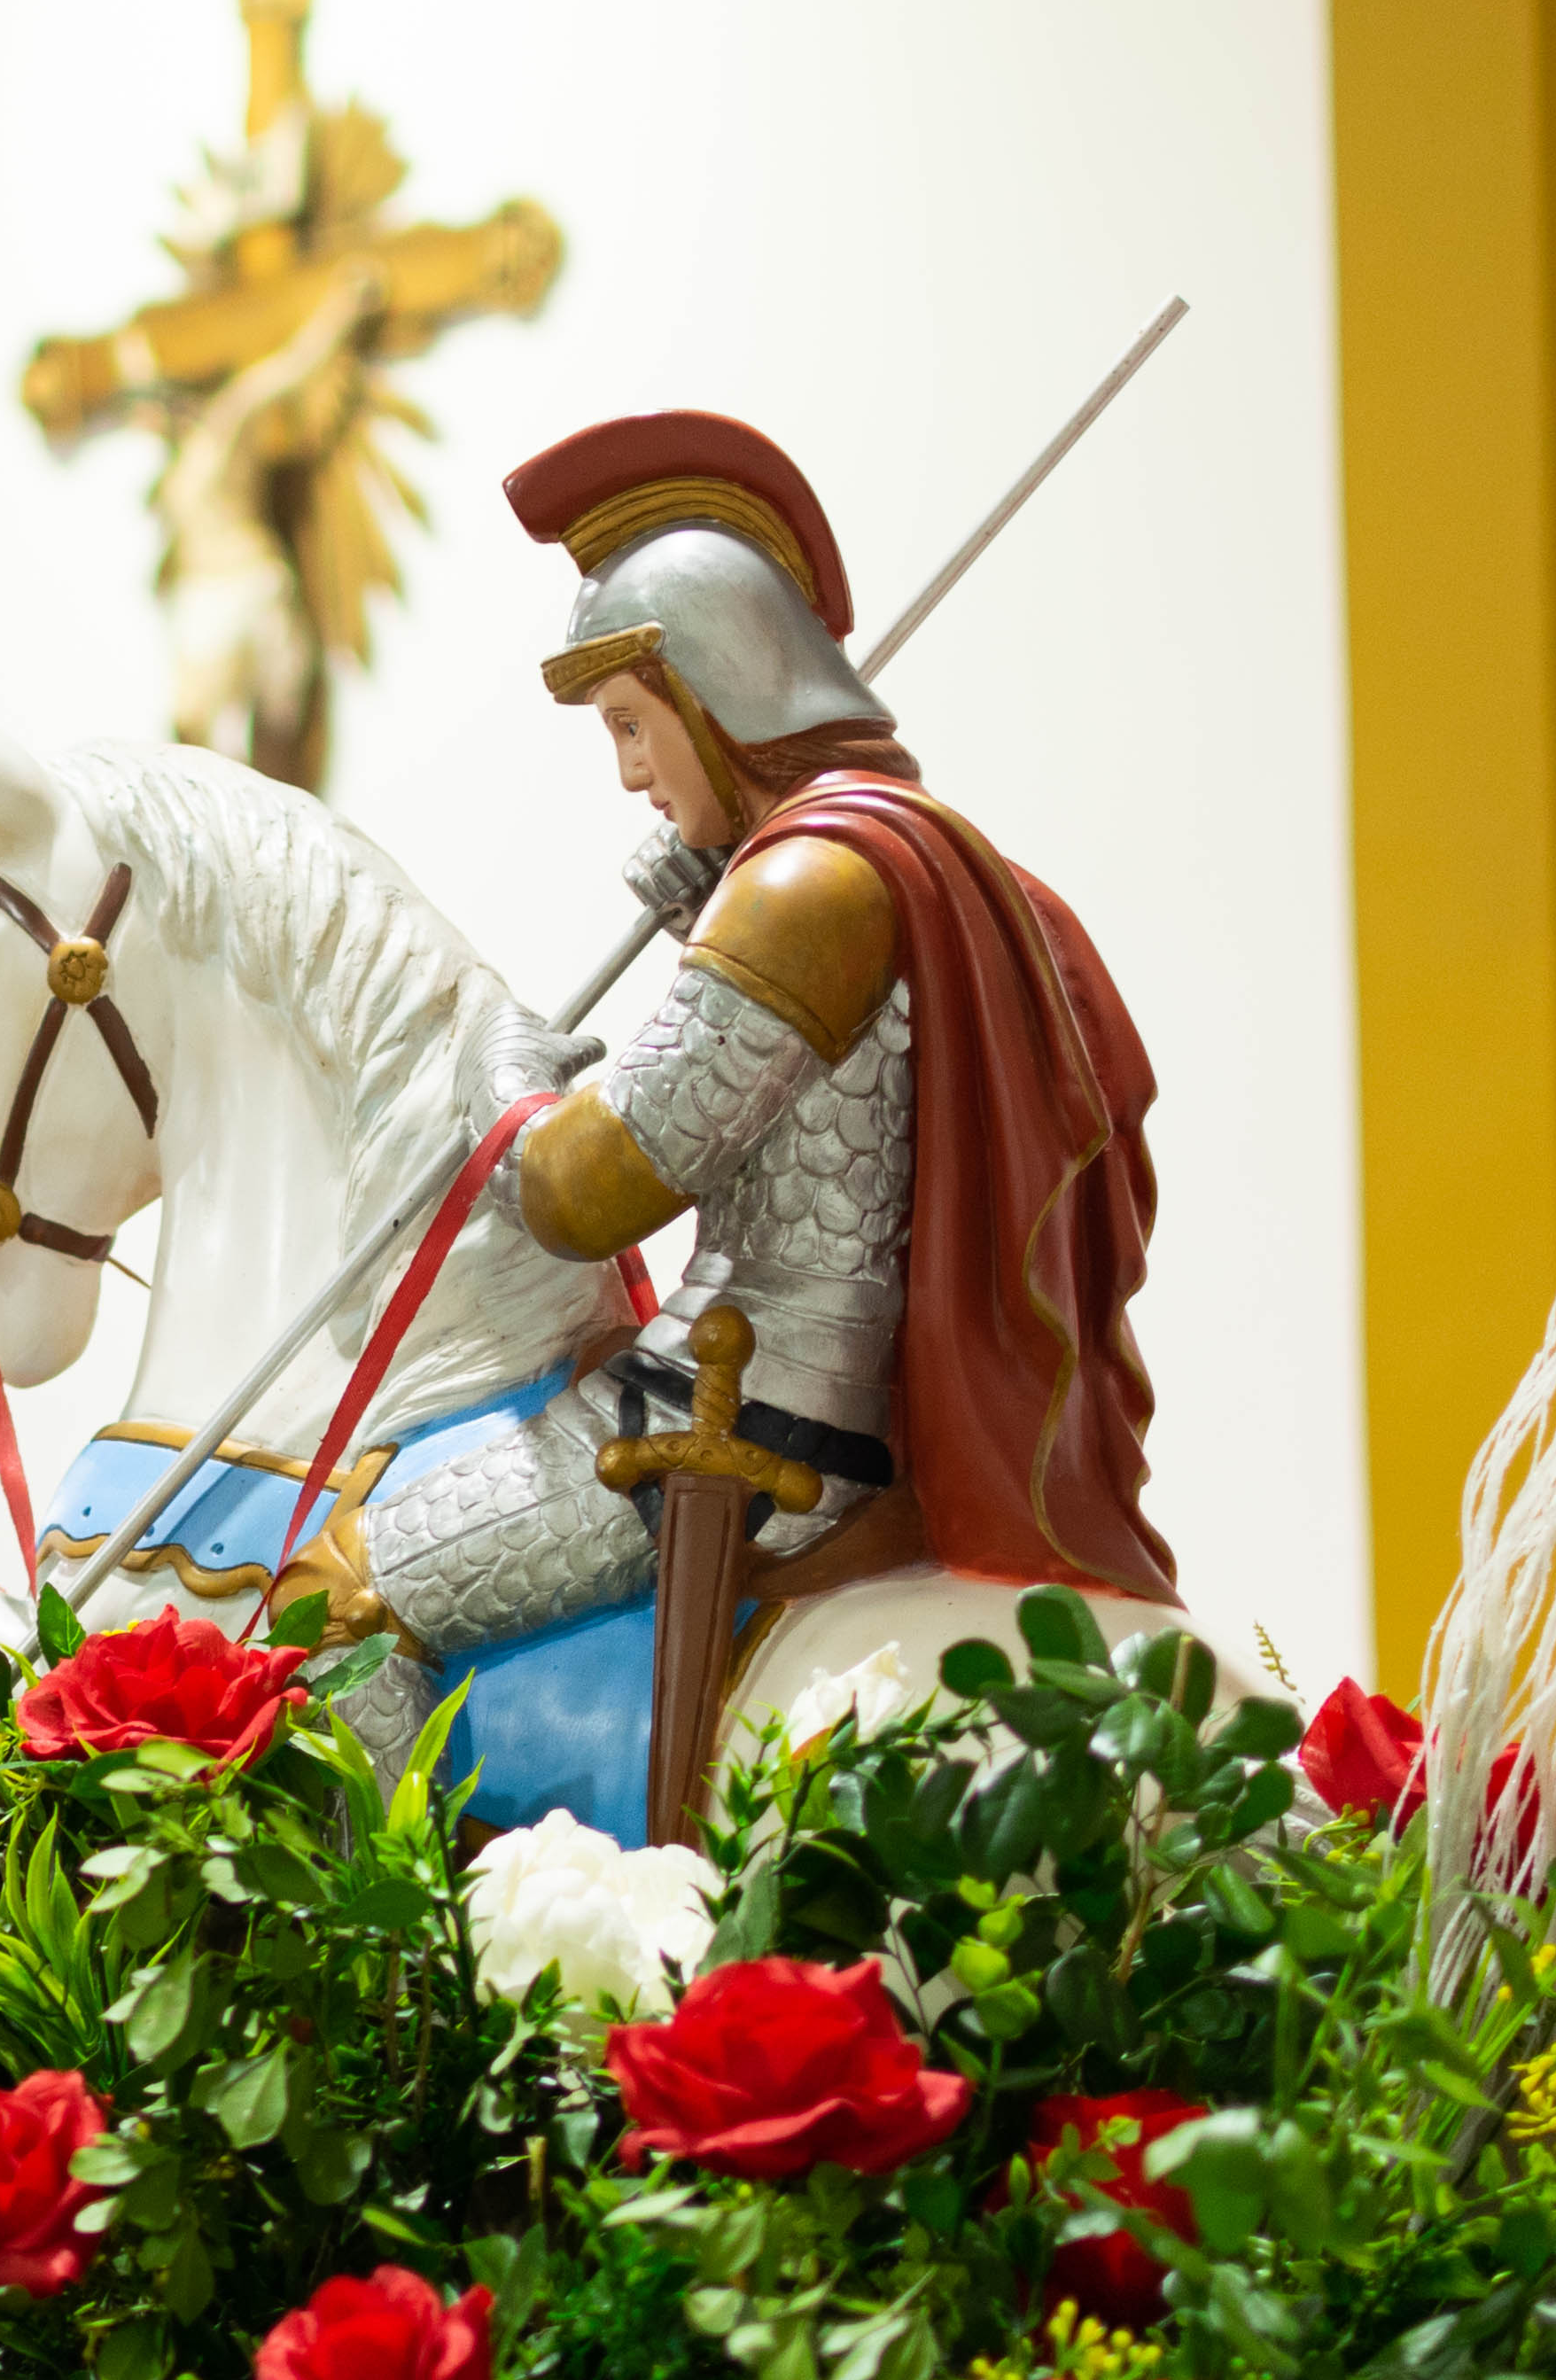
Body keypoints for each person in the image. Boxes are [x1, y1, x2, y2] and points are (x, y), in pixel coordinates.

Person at [348, 406, 1172, 1673]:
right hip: (763, 1385)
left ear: (717, 691)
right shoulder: (839, 862)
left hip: (747, 1412)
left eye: (634, 721)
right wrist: (706, 898)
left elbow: (590, 1189)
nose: (628, 770)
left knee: (348, 1600)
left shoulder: (806, 887)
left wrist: (502, 1076)